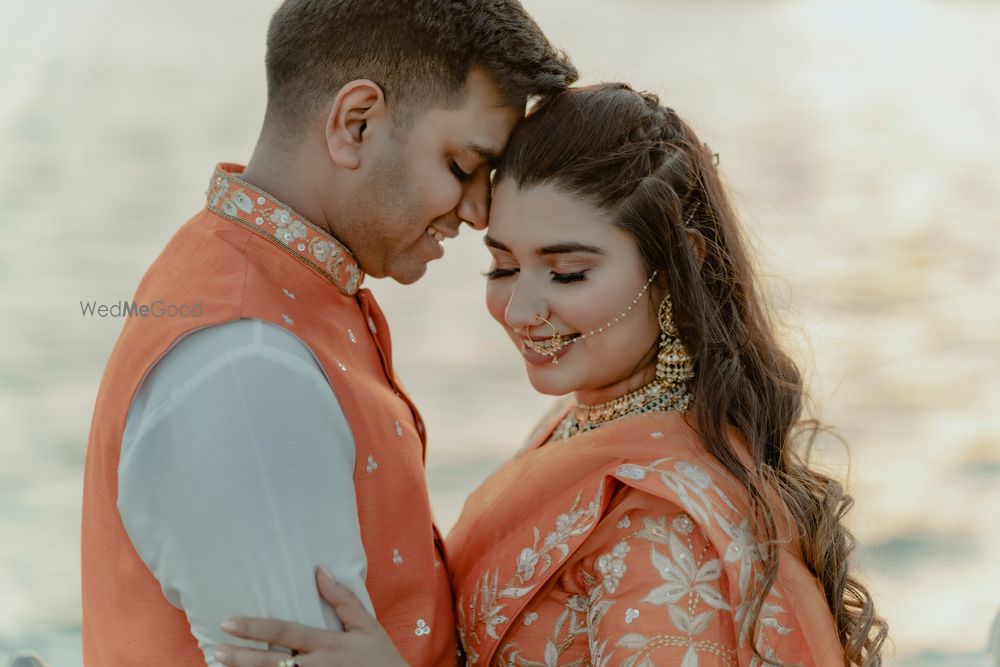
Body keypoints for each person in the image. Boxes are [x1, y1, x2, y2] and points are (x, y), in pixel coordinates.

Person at [215, 84, 889, 666]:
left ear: (680, 262)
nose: (522, 309)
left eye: (567, 271)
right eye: (503, 265)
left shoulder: (663, 532)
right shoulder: (591, 425)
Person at [80, 1, 576, 665]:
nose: (480, 210)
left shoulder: (272, 284)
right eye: (462, 166)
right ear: (355, 123)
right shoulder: (248, 365)